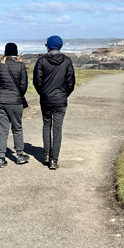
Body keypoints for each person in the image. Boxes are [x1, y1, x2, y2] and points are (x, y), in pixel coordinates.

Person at [33, 35, 75, 170]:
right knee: (57, 129)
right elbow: (71, 82)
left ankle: (46, 155)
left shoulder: (41, 61)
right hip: (60, 100)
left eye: (46, 45)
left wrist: (43, 93)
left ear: (49, 46)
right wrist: (64, 95)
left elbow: (37, 81)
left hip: (46, 99)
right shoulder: (67, 61)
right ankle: (54, 160)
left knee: (46, 125)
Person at [0, 42, 29, 168]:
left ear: (5, 52)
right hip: (15, 101)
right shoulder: (20, 65)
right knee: (17, 128)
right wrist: (17, 95)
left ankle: (1, 158)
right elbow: (24, 86)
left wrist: (1, 94)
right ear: (16, 53)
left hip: (0, 100)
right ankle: (19, 155)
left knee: (2, 130)